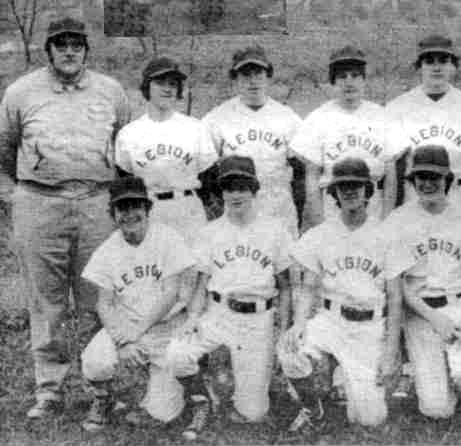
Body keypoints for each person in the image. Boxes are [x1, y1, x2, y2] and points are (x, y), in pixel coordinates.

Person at [0, 16, 131, 418]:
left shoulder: (111, 91)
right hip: (39, 203)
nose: (69, 51)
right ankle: (49, 390)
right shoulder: (21, 92)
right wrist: (14, 198)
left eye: (77, 44)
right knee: (46, 301)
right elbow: (4, 152)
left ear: (87, 49)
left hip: (95, 203)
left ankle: (101, 387)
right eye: (61, 45)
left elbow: (124, 148)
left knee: (99, 297)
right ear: (49, 50)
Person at [163, 155, 295, 439]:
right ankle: (202, 399)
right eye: (228, 188)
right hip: (218, 314)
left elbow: (285, 286)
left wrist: (283, 330)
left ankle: (237, 381)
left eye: (242, 187)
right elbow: (202, 283)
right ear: (221, 192)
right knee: (177, 353)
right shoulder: (210, 233)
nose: (235, 194)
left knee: (253, 414)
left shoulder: (275, 230)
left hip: (258, 319)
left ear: (254, 190)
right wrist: (194, 318)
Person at [277, 157, 409, 434]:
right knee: (290, 353)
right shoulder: (322, 233)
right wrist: (300, 323)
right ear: (334, 193)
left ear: (367, 190)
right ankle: (313, 409)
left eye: (356, 186)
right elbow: (310, 286)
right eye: (343, 186)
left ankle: (347, 382)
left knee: (369, 419)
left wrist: (391, 349)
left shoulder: (386, 235)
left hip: (369, 327)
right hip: (331, 320)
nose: (350, 191)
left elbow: (396, 298)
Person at [78, 177, 197, 431]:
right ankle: (103, 399)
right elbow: (105, 304)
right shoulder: (107, 250)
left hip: (166, 326)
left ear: (147, 209)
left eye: (136, 206)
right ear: (113, 213)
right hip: (127, 325)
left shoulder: (167, 238)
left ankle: (194, 391)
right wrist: (123, 339)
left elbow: (170, 293)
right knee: (94, 361)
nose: (130, 214)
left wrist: (137, 332)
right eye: (122, 208)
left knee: (163, 413)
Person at [382, 145, 461, 418]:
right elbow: (399, 285)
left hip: (457, 305)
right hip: (419, 311)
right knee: (436, 410)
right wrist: (435, 318)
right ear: (413, 181)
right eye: (421, 177)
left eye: (435, 177)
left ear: (448, 180)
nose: (427, 183)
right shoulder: (398, 220)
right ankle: (433, 377)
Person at [385, 34, 461, 216]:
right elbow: (396, 167)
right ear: (419, 67)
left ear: (453, 66)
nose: (436, 67)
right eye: (429, 61)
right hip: (417, 193)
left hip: (459, 193)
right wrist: (396, 211)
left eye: (443, 61)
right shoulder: (398, 107)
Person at [203, 45, 305, 235]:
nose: (253, 82)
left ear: (268, 77)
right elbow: (205, 170)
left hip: (277, 203)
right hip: (237, 204)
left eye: (258, 74)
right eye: (245, 75)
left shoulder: (288, 118)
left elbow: (301, 173)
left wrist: (298, 211)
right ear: (235, 80)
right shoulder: (217, 119)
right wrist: (216, 205)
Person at [115, 56, 217, 244]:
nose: (167, 88)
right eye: (160, 82)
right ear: (147, 87)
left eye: (173, 84)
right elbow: (124, 180)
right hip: (150, 210)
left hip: (188, 208)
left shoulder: (196, 128)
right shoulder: (129, 134)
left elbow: (209, 181)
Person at [297, 46, 397, 224]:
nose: (349, 82)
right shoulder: (319, 117)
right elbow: (312, 176)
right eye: (342, 77)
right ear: (333, 82)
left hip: (373, 203)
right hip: (333, 204)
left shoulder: (382, 116)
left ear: (364, 80)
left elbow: (390, 174)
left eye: (355, 76)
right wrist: (319, 222)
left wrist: (386, 219)